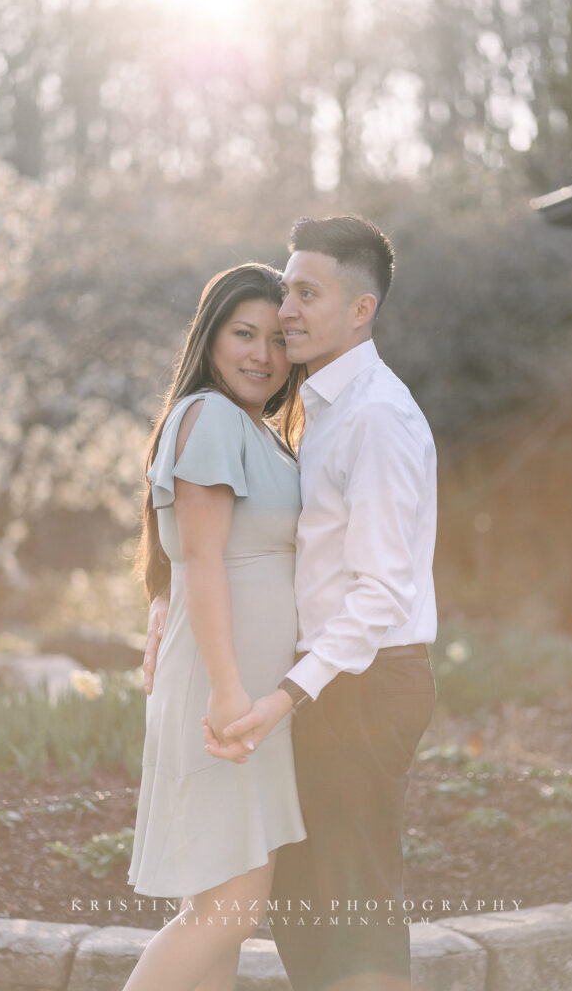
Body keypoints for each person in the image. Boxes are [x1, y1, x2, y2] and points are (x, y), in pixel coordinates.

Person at [148, 216, 438, 991]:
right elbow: (201, 543)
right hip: (290, 688)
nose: (286, 319)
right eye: (285, 297)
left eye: (305, 297)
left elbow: (380, 594)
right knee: (282, 915)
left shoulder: (370, 415)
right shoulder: (305, 411)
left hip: (353, 684)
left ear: (360, 308)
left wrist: (284, 694)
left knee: (347, 920)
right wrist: (170, 614)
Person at [123, 263, 308, 991]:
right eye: (243, 334)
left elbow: (197, 559)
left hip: (250, 688)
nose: (261, 354)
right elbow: (199, 558)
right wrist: (229, 693)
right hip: (223, 688)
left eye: (276, 338)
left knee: (219, 908)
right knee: (229, 909)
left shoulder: (258, 429)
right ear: (210, 338)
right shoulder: (208, 416)